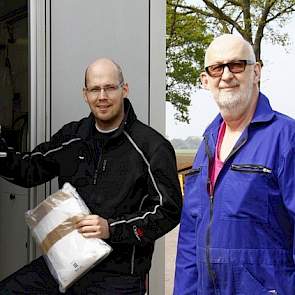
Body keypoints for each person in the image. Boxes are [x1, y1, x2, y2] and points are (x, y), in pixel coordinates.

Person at [0, 58, 182, 294]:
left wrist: (111, 228)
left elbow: (169, 210)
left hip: (118, 277)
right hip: (64, 263)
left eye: (109, 87)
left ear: (124, 89)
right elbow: (27, 170)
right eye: (95, 89)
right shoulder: (73, 136)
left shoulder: (152, 147)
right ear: (85, 94)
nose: (102, 96)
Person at [174, 34, 295, 295]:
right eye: (217, 68)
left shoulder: (286, 138)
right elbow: (190, 236)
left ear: (256, 72)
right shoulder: (206, 145)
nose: (226, 75)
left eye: (237, 65)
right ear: (205, 80)